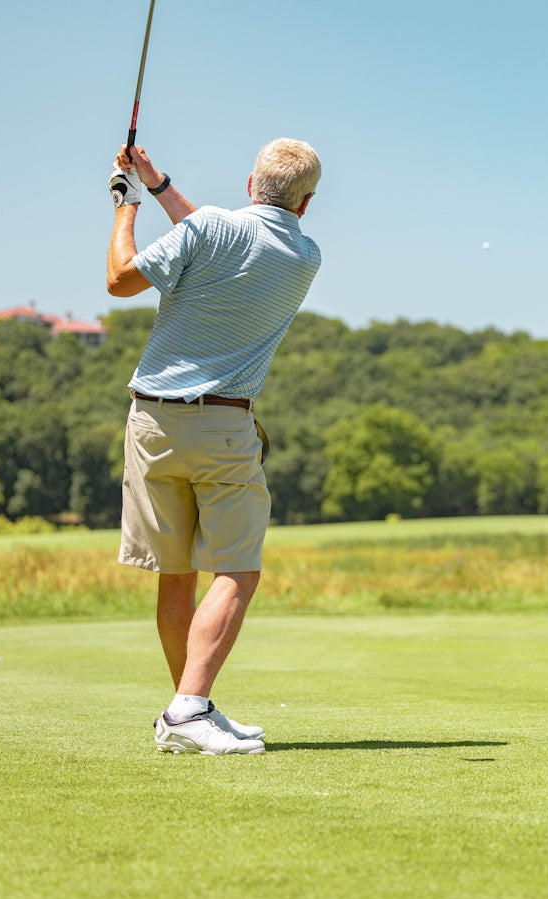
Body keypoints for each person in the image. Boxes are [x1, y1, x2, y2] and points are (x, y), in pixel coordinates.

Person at [105, 138, 322, 755]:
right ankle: (189, 711)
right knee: (237, 571)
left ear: (251, 183)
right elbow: (215, 233)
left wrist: (126, 204)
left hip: (150, 423)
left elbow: (121, 280)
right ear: (306, 204)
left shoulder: (211, 230)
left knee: (175, 577)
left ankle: (187, 709)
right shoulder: (304, 255)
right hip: (225, 429)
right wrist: (158, 182)